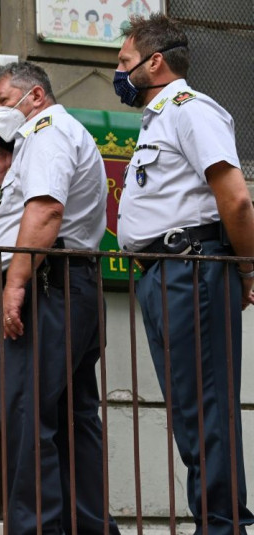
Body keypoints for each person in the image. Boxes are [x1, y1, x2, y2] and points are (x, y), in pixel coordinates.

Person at [114, 13, 254, 534]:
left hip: (190, 269)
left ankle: (224, 526)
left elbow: (236, 200)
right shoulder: (159, 119)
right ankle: (217, 521)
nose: (120, 74)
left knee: (206, 408)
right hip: (162, 274)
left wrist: (245, 268)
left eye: (125, 63)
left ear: (155, 61)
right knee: (189, 411)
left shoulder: (192, 111)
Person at [0, 61, 120, 534]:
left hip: (45, 287)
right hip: (69, 283)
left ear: (35, 96)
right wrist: (6, 173)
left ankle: (36, 528)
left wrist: (15, 284)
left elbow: (46, 211)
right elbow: (34, 205)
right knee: (72, 418)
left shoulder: (46, 131)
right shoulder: (49, 138)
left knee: (28, 418)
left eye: (2, 100)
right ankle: (87, 526)